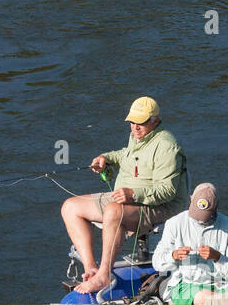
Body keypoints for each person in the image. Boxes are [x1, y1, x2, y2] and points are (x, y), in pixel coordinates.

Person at [61, 96, 189, 294]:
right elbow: (125, 154)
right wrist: (106, 158)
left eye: (141, 122)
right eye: (132, 121)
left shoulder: (166, 146)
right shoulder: (138, 137)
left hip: (160, 205)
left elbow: (168, 191)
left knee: (113, 211)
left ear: (155, 120)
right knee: (70, 207)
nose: (135, 127)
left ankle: (104, 275)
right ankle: (91, 269)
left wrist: (133, 195)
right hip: (124, 198)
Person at [151, 182, 228, 305]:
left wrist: (218, 258)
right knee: (211, 301)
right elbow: (157, 262)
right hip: (185, 285)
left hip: (220, 285)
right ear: (190, 199)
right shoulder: (174, 223)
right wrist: (173, 256)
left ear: (217, 207)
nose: (200, 221)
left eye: (205, 217)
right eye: (197, 215)